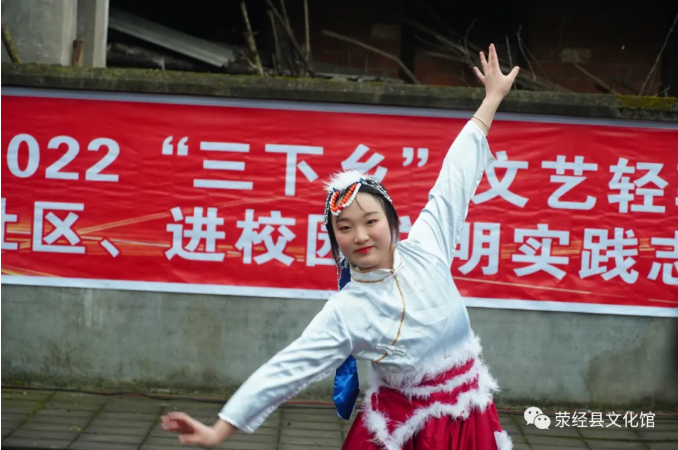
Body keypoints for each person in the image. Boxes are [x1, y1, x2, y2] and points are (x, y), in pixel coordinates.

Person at [161, 43, 519, 450]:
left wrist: (492, 98)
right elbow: (288, 368)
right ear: (336, 241)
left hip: (471, 417)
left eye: (370, 222)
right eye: (345, 228)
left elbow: (457, 172)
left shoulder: (428, 244)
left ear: (392, 223)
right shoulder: (350, 310)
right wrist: (219, 430)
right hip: (403, 433)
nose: (360, 236)